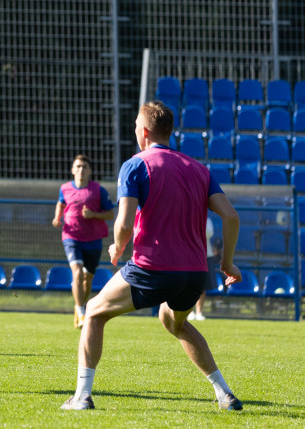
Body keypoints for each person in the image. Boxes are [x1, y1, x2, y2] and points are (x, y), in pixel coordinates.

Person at [61, 101, 244, 411]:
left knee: (93, 312)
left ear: (143, 132)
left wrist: (118, 247)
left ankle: (81, 398)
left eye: (135, 126)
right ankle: (224, 394)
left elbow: (123, 221)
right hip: (195, 272)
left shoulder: (135, 164)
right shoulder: (199, 169)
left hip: (154, 266)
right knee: (174, 322)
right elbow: (231, 217)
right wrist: (226, 263)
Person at [52, 154, 115, 328]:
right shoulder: (64, 188)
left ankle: (79, 307)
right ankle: (81, 312)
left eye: (84, 167)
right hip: (71, 236)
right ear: (72, 170)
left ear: (90, 171)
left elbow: (110, 213)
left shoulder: (98, 190)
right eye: (78, 166)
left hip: (93, 240)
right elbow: (61, 203)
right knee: (77, 272)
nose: (81, 170)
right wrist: (57, 217)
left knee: (87, 279)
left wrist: (93, 214)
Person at [189, 218, 220, 321]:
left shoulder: (207, 220)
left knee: (202, 286)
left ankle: (199, 312)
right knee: (188, 286)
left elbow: (208, 233)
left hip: (205, 255)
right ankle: (189, 312)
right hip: (189, 255)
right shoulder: (186, 216)